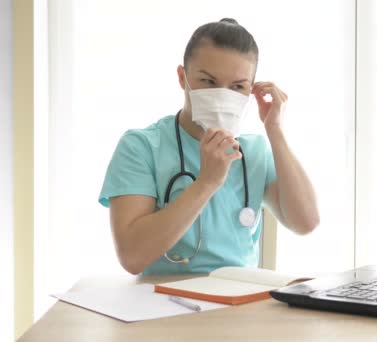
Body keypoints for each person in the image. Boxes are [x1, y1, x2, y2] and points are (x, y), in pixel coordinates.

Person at [99, 18, 319, 275]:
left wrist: (275, 131)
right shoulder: (141, 147)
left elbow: (306, 222)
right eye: (208, 81)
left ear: (251, 89)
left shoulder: (254, 152)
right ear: (183, 78)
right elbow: (132, 256)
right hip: (164, 303)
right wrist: (206, 183)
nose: (222, 94)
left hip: (240, 300)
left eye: (237, 86)